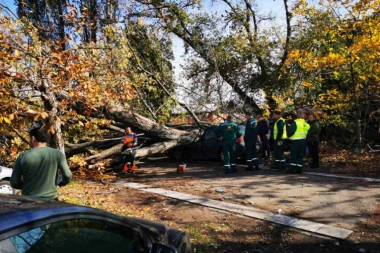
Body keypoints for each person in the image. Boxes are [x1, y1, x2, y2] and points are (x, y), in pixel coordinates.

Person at [10, 127, 72, 200]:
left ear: (33, 138)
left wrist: (27, 185)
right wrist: (61, 183)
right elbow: (67, 175)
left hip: (28, 200)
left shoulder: (23, 156)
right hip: (50, 200)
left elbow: (14, 182)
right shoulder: (57, 154)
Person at [287, 109, 310, 173]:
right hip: (303, 141)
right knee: (300, 155)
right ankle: (299, 169)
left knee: (294, 155)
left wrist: (288, 136)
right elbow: (307, 131)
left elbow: (291, 131)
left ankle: (293, 169)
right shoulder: (306, 124)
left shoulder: (296, 123)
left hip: (295, 141)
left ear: (298, 115)